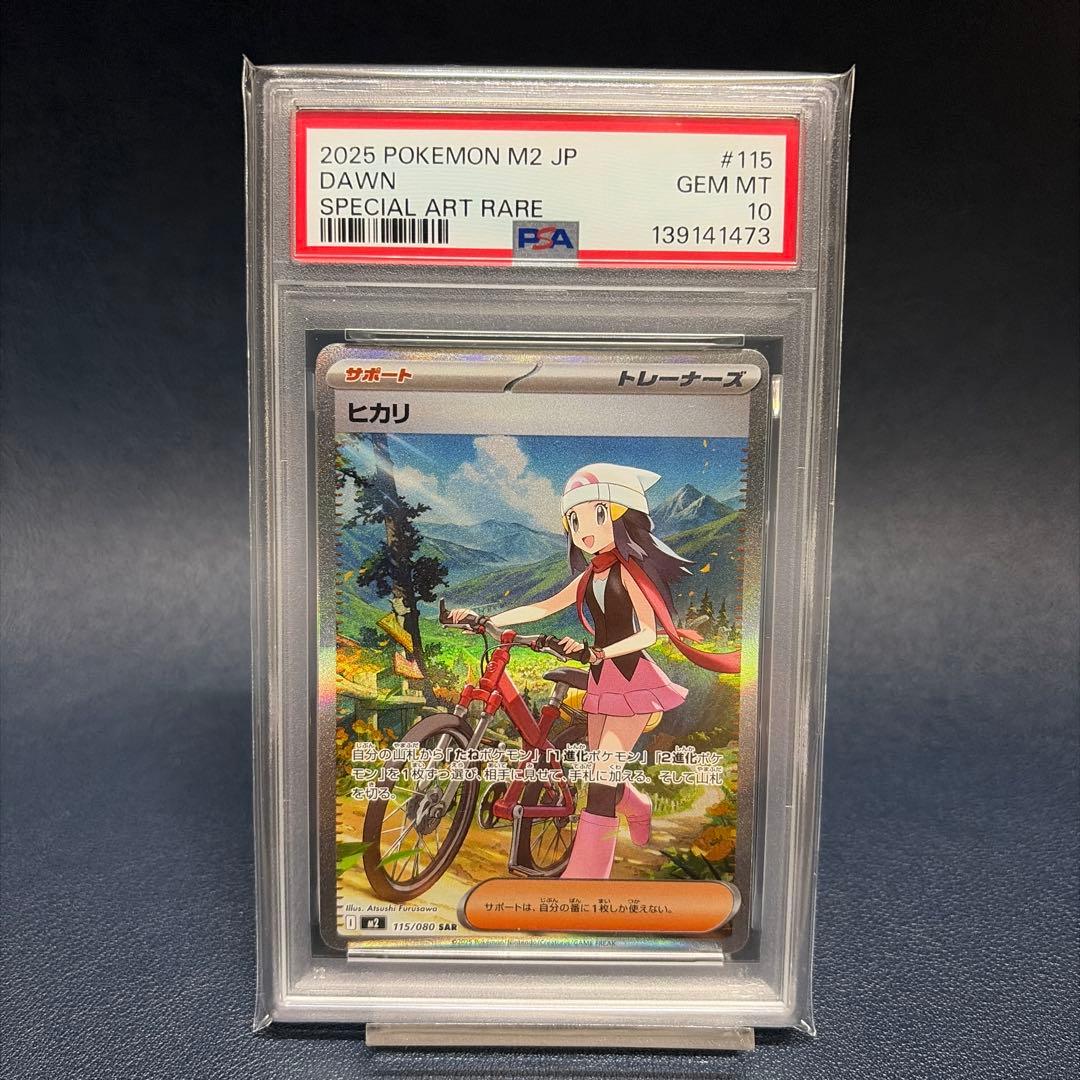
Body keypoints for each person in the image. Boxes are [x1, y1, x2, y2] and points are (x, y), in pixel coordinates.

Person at [450, 463, 740, 879]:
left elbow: (646, 634)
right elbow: (543, 606)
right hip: (603, 680)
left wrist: (598, 652)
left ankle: (585, 879)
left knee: (601, 779)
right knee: (601, 768)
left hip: (633, 681)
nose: (584, 531)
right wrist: (484, 618)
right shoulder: (591, 576)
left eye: (597, 515)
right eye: (574, 521)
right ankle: (637, 804)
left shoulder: (631, 573)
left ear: (623, 517)